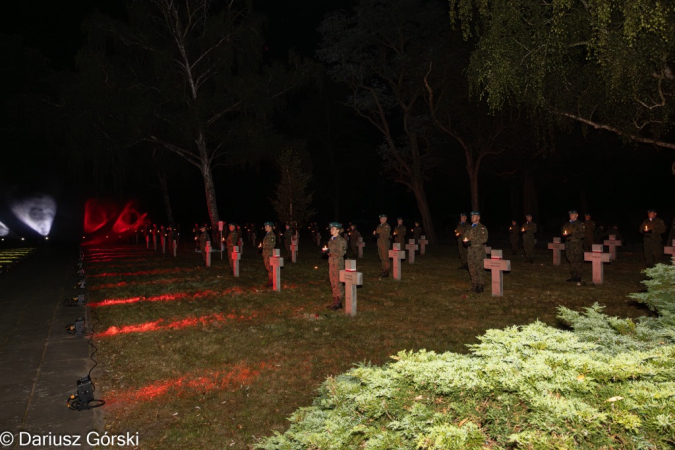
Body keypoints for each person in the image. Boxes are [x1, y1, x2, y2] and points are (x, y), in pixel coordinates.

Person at [464, 211, 488, 293]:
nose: (472, 217)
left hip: (479, 251)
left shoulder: (482, 228)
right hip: (471, 251)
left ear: (478, 218)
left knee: (480, 267)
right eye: (471, 216)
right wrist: (465, 241)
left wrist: (472, 241)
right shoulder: (469, 228)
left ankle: (480, 285)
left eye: (474, 216)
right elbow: (465, 236)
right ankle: (474, 284)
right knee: (472, 267)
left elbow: (484, 239)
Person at [326, 222, 347, 310]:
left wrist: (330, 253)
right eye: (331, 229)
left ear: (338, 230)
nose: (331, 230)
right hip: (332, 262)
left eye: (333, 229)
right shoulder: (331, 240)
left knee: (337, 281)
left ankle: (338, 301)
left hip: (338, 263)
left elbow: (342, 252)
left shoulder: (341, 240)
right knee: (332, 281)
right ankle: (335, 300)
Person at [562, 210, 585, 283]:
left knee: (577, 259)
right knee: (570, 259)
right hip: (568, 244)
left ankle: (578, 276)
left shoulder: (580, 224)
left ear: (576, 215)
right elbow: (563, 232)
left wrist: (572, 235)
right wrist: (565, 234)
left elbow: (582, 234)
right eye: (570, 215)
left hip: (576, 244)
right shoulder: (567, 224)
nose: (571, 216)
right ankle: (573, 275)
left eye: (573, 214)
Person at [262, 222, 276, 286]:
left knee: (270, 268)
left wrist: (265, 247)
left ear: (270, 227)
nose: (265, 227)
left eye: (266, 226)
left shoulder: (271, 235)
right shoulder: (267, 234)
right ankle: (270, 280)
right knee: (268, 267)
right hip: (266, 253)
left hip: (269, 254)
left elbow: (272, 245)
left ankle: (272, 281)